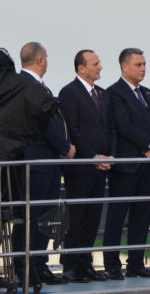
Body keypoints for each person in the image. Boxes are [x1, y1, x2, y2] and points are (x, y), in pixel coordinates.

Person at [13, 42, 74, 286]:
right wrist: (65, 147)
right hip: (35, 163)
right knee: (29, 218)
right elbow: (43, 123)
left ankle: (39, 266)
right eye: (46, 57)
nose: (47, 61)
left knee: (45, 219)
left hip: (49, 164)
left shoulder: (36, 85)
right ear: (40, 60)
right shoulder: (25, 85)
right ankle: (24, 269)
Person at [103, 48, 150, 280]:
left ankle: (136, 264)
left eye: (144, 64)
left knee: (141, 217)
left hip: (147, 166)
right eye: (138, 64)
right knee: (117, 217)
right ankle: (112, 265)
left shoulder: (149, 94)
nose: (143, 68)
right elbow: (123, 125)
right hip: (125, 166)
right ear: (124, 66)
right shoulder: (114, 92)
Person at [58, 50, 114, 282]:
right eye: (95, 64)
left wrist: (108, 156)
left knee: (92, 219)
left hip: (101, 168)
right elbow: (73, 130)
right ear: (81, 68)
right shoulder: (69, 92)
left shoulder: (102, 93)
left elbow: (109, 128)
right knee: (76, 219)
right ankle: (71, 266)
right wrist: (92, 157)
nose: (100, 67)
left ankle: (85, 264)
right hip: (81, 168)